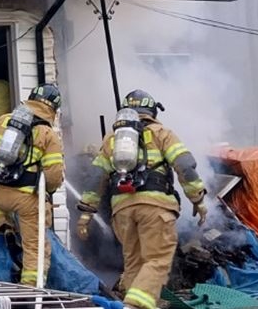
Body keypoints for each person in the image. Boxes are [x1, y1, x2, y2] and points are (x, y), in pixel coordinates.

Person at [77, 90, 208, 309]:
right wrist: (198, 199)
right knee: (157, 259)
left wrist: (86, 214)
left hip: (122, 211)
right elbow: (185, 166)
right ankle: (134, 306)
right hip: (155, 208)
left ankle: (133, 301)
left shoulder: (111, 140)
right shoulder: (162, 133)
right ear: (152, 110)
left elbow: (95, 177)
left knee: (134, 263)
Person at [0, 83, 65, 287]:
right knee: (35, 248)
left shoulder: (4, 121)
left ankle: (4, 224)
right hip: (25, 200)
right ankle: (31, 291)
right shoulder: (47, 133)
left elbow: (1, 153)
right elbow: (53, 175)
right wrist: (48, 194)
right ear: (53, 108)